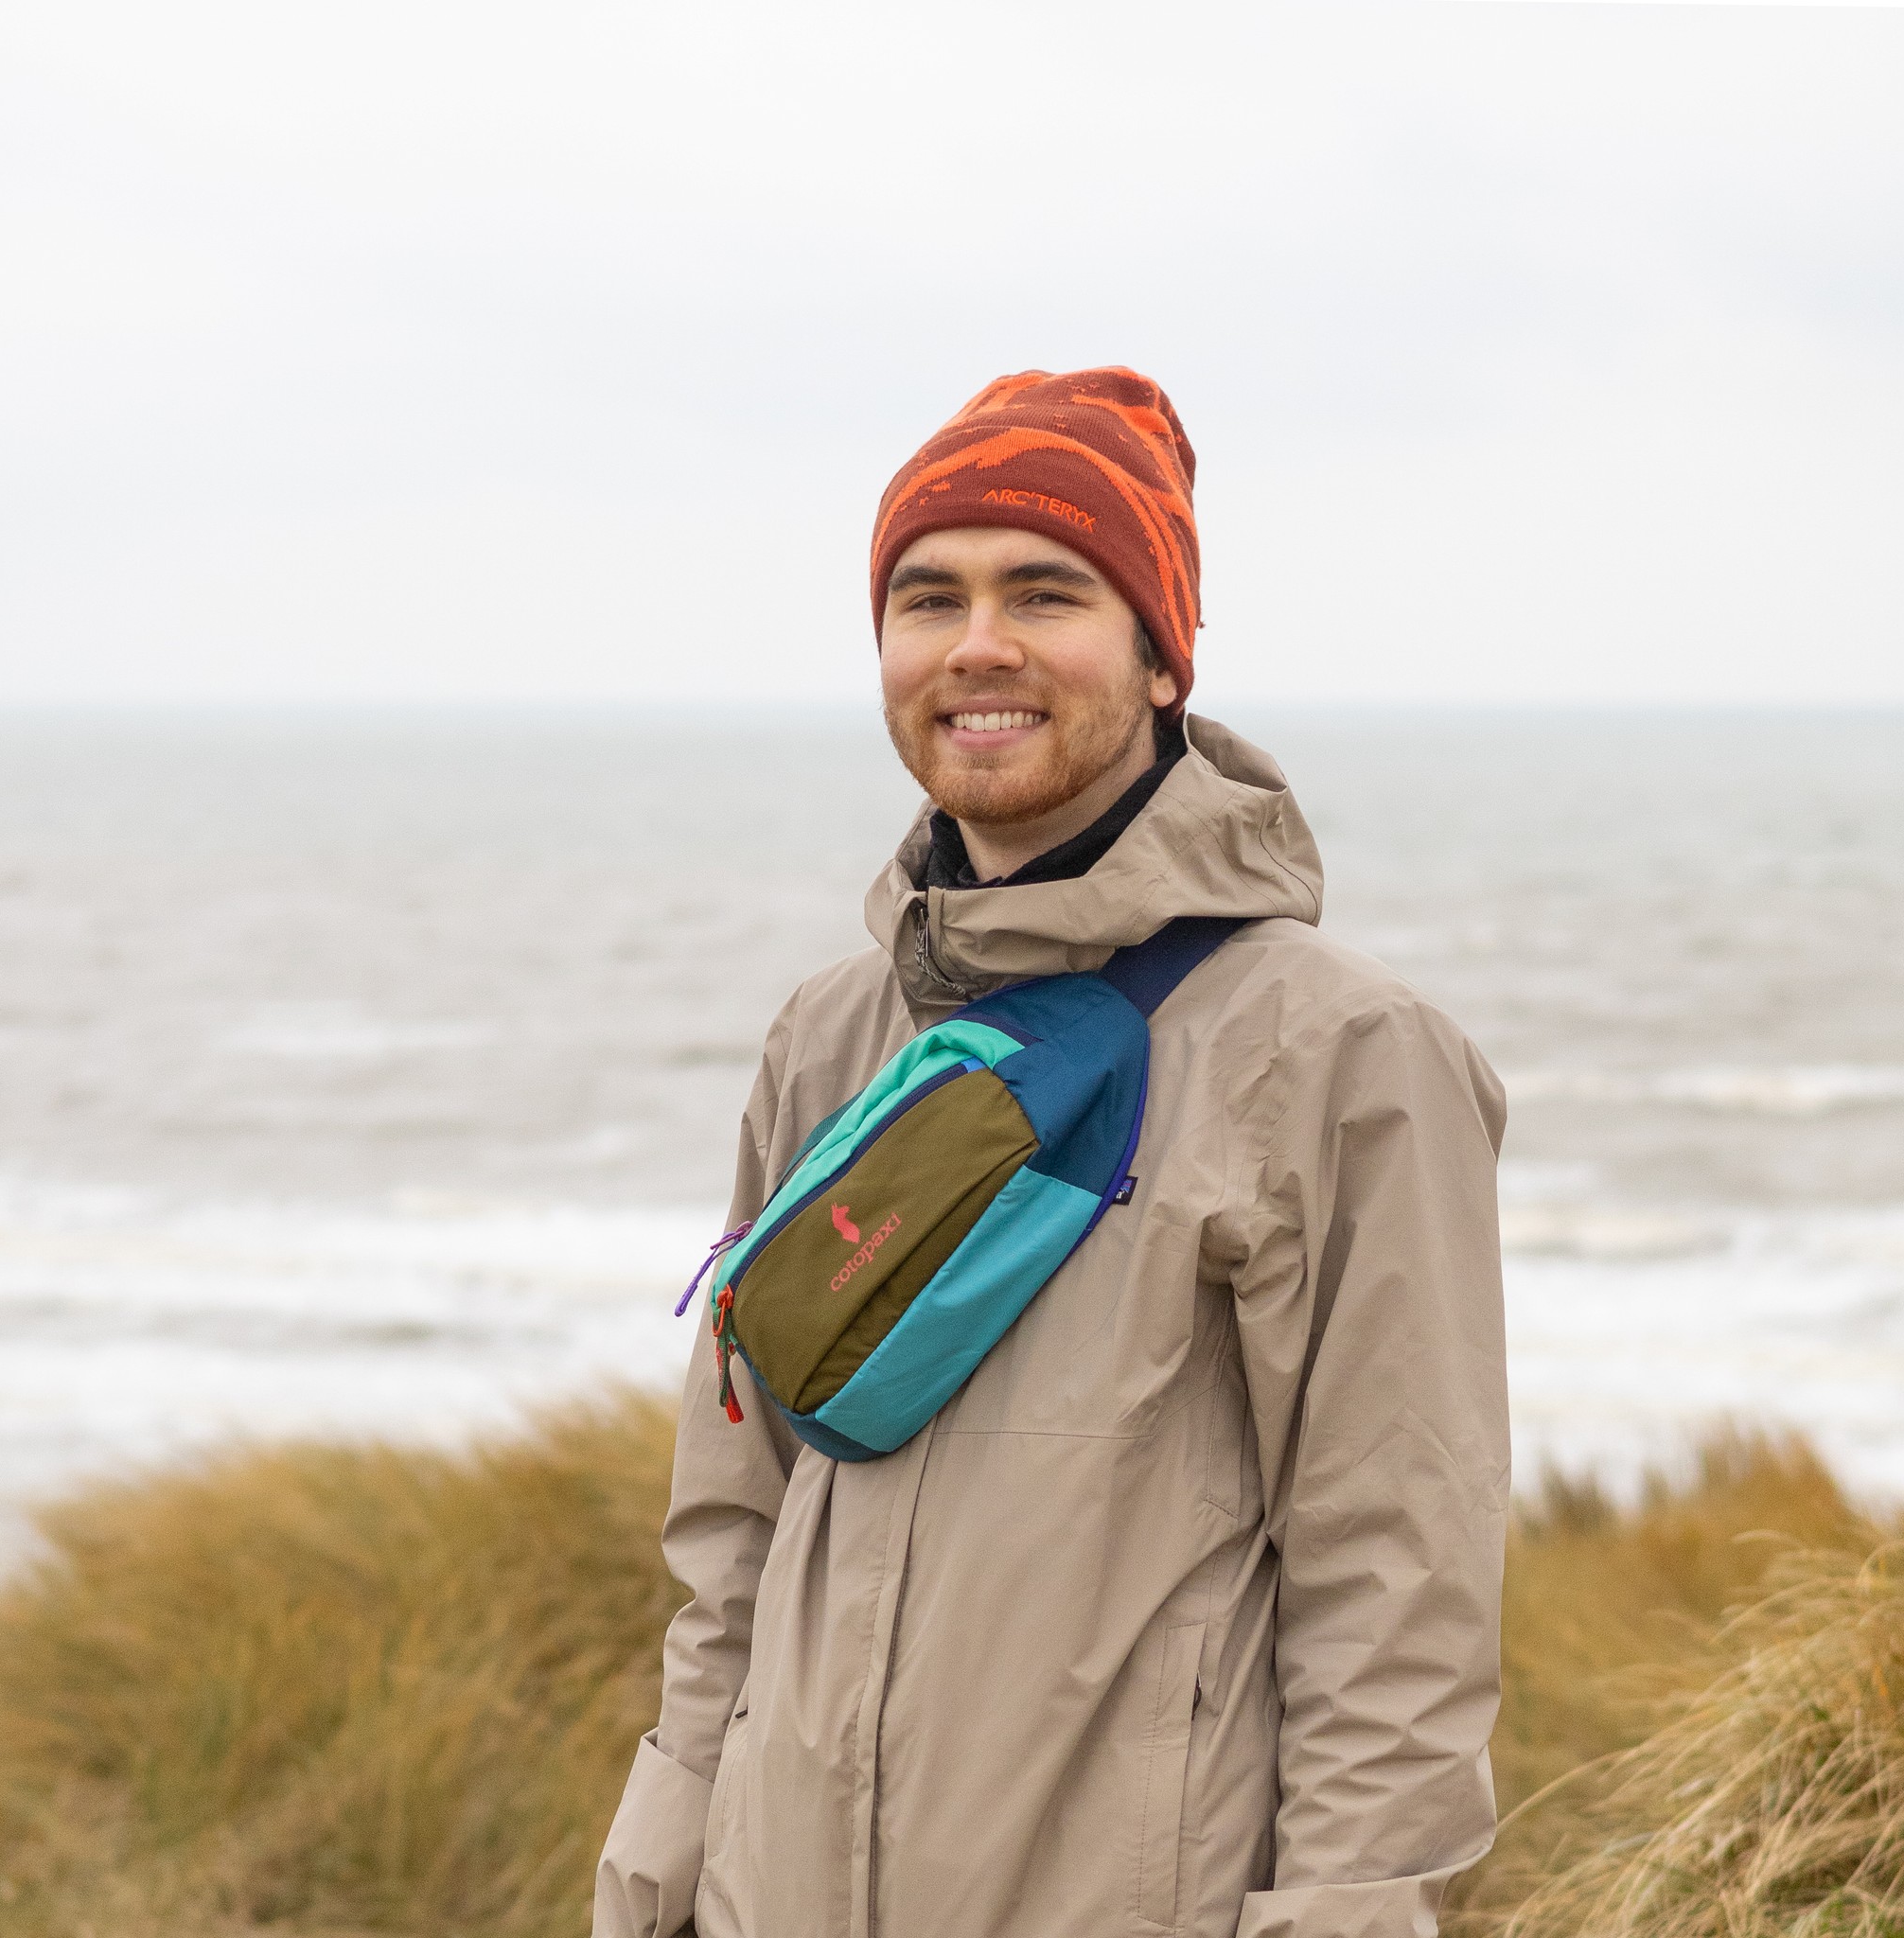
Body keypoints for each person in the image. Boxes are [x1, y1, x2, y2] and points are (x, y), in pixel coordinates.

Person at [594, 368, 1508, 1938]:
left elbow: (1397, 1569)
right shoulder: (832, 1033)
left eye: (1048, 591)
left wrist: (1350, 1912)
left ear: (1161, 657)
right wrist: (662, 1851)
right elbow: (737, 1515)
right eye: (925, 597)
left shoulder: (1342, 1052)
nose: (978, 646)